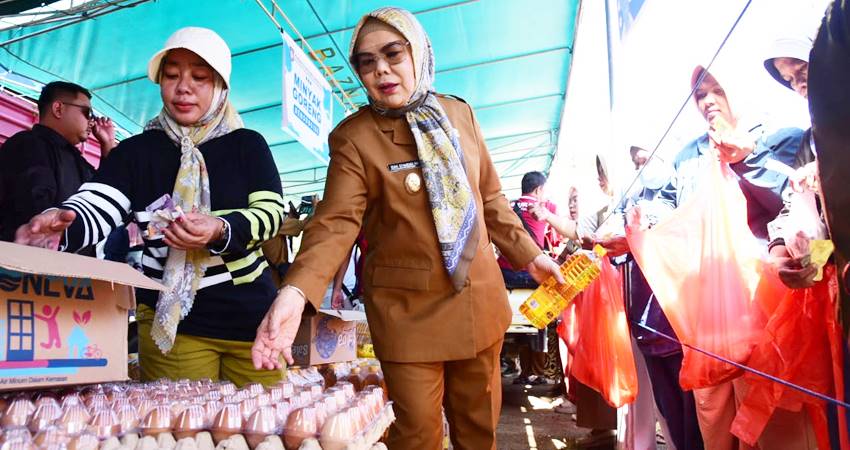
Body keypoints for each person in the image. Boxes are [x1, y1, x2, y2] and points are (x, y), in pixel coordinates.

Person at [250, 7, 562, 450]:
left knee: (479, 434)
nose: (381, 70)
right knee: (417, 436)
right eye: (366, 62)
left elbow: (489, 199)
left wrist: (531, 256)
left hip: (478, 302)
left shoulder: (460, 115)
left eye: (393, 54)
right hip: (407, 313)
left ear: (418, 53)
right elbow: (336, 222)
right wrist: (295, 292)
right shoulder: (355, 138)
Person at [15, 27, 285, 387]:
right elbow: (100, 199)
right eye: (171, 75)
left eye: (200, 77)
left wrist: (219, 229)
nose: (183, 87)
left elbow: (269, 214)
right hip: (172, 327)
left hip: (253, 323)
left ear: (221, 85)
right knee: (182, 435)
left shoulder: (247, 145)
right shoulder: (137, 152)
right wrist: (65, 222)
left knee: (266, 433)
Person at [655, 66, 805, 450]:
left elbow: (795, 204)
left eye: (716, 90)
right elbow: (671, 212)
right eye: (699, 94)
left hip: (764, 304)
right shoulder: (688, 157)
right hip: (708, 310)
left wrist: (748, 158)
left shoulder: (780, 138)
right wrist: (640, 226)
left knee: (770, 411)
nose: (707, 101)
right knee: (713, 412)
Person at [0, 81, 115, 243]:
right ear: (58, 109)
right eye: (87, 113)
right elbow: (35, 206)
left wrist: (107, 144)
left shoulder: (76, 158)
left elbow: (103, 192)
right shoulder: (29, 145)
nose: (92, 122)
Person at [763, 34, 823, 290]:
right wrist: (794, 259)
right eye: (789, 79)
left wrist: (830, 171)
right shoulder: (810, 142)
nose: (799, 83)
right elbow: (822, 229)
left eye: (803, 68)